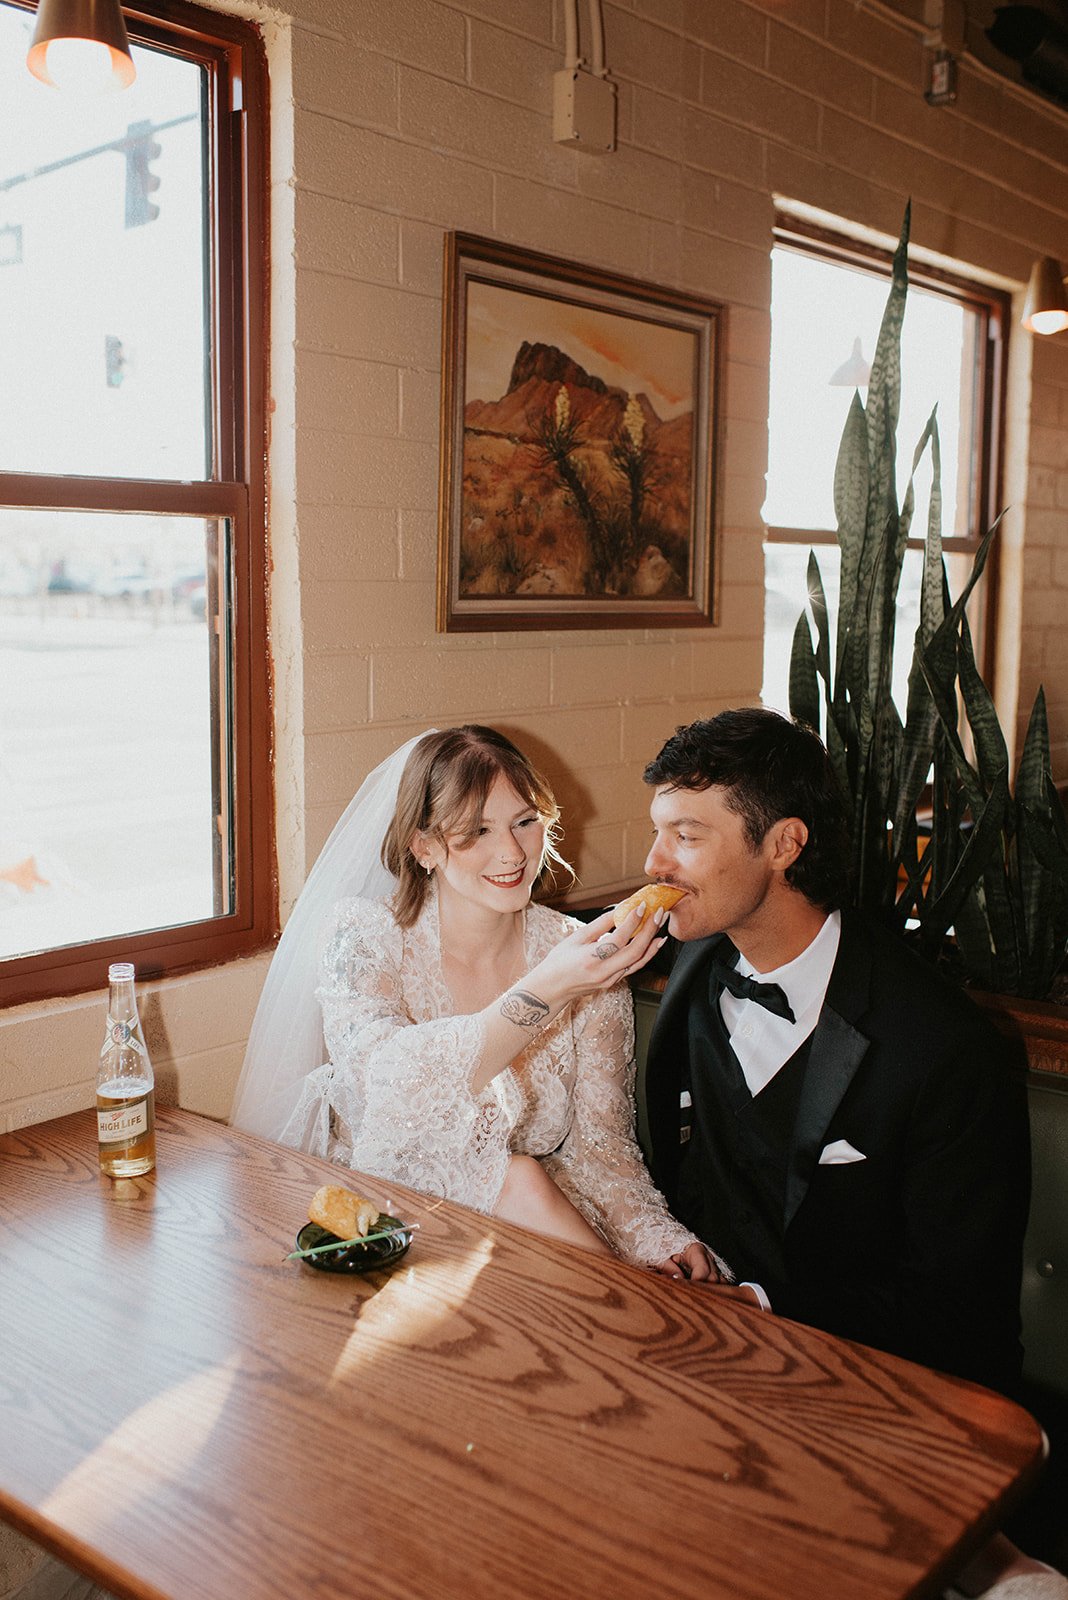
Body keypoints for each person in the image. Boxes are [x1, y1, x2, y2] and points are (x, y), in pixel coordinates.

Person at [639, 707, 1065, 1600]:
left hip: (889, 1402)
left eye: (686, 835)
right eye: (656, 834)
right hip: (713, 1392)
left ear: (784, 844)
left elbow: (959, 1318)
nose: (655, 866)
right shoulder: (685, 973)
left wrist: (757, 1310)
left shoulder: (942, 1046)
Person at [231, 725, 729, 1279]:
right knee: (519, 1180)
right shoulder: (365, 935)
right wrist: (548, 989)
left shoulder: (581, 952)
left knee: (532, 1189)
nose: (512, 852)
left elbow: (603, 1151)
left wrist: (656, 1238)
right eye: (476, 832)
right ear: (424, 847)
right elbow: (387, 1086)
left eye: (524, 821)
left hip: (541, 1219)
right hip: (395, 1224)